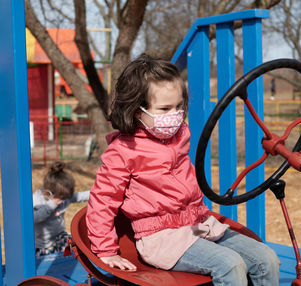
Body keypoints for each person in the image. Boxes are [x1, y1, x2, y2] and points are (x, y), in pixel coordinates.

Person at [86, 54, 280, 285]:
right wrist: (106, 250)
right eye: (165, 108)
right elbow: (102, 200)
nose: (174, 116)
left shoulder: (179, 136)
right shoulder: (124, 151)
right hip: (162, 238)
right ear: (137, 111)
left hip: (199, 224)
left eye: (178, 107)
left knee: (266, 258)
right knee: (230, 265)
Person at [33, 161, 90, 256]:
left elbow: (81, 196)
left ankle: (70, 261)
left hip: (59, 236)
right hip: (42, 245)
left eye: (66, 197)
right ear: (49, 192)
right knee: (47, 260)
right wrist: (51, 205)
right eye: (62, 197)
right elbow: (34, 218)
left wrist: (99, 190)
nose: (64, 200)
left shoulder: (63, 196)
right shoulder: (38, 200)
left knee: (75, 243)